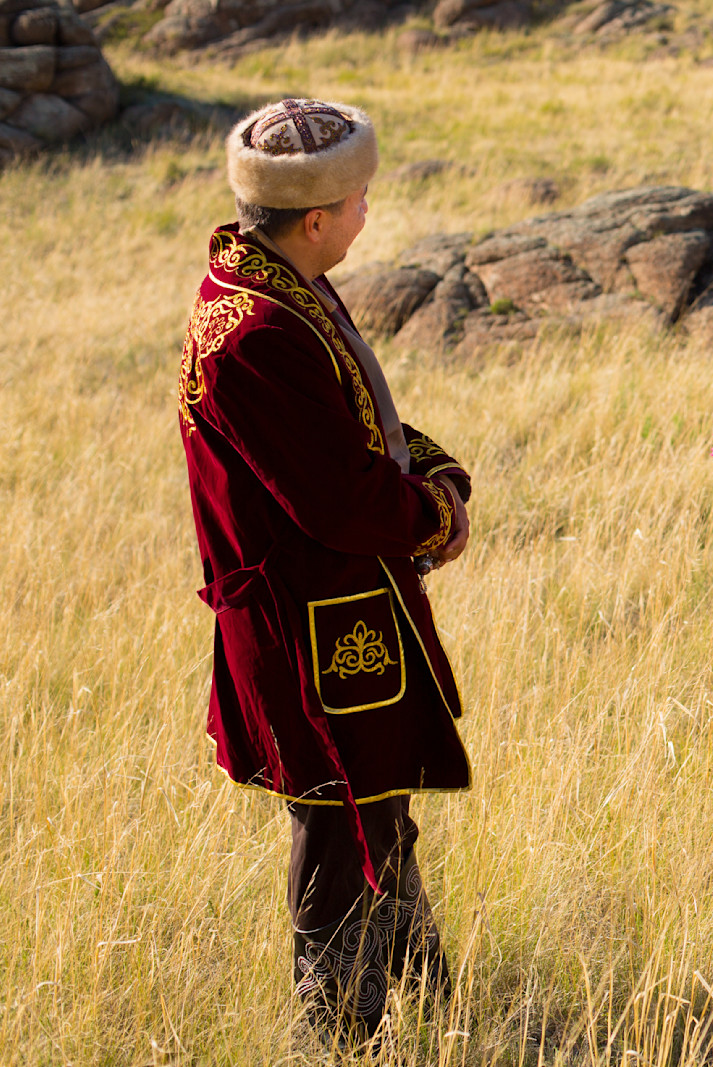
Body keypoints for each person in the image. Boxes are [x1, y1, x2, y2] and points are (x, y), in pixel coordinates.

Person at [178, 98, 471, 1044]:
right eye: (357, 200)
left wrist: (433, 464)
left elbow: (351, 420)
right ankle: (339, 1033)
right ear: (314, 218)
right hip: (311, 620)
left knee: (374, 810)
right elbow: (339, 496)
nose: (365, 211)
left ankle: (431, 1006)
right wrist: (439, 514)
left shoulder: (278, 279)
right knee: (338, 821)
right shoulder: (257, 331)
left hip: (338, 603)